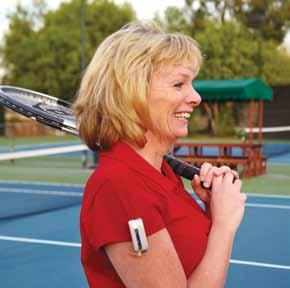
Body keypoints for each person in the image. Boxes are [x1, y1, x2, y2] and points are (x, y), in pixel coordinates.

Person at [73, 21, 246, 288]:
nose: (196, 97)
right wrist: (224, 227)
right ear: (133, 94)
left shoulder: (162, 174)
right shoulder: (118, 186)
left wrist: (213, 212)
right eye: (179, 84)